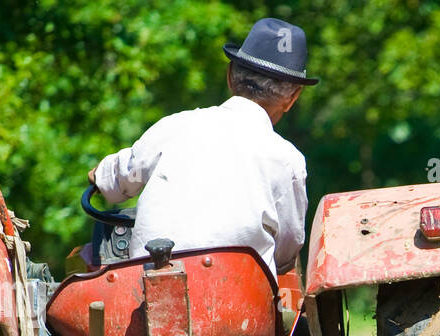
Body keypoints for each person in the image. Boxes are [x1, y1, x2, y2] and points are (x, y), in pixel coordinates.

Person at [87, 17, 318, 278]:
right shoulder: (288, 160)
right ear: (293, 97)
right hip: (241, 300)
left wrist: (101, 175)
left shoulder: (173, 127)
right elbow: (286, 252)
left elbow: (121, 179)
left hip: (148, 289)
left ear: (230, 76)